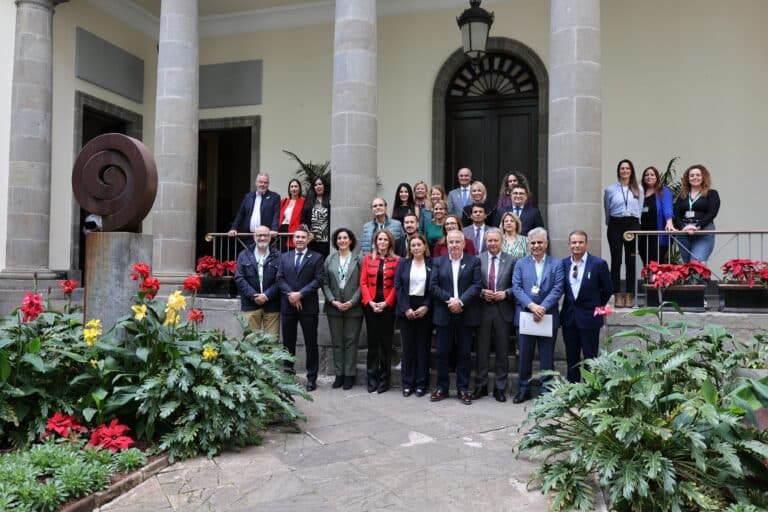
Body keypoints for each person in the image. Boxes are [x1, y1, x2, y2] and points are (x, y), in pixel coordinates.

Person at [511, 228, 564, 403]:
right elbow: (517, 287)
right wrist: (532, 306)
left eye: (540, 242)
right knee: (524, 356)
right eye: (533, 243)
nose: (536, 246)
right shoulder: (520, 263)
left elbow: (558, 288)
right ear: (528, 245)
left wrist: (543, 307)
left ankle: (546, 391)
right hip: (526, 316)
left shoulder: (556, 264)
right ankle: (523, 389)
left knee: (546, 357)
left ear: (546, 244)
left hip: (547, 316)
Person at [429, 230, 481, 405]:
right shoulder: (438, 261)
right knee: (441, 353)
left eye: (457, 241)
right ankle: (442, 387)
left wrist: (461, 302)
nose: (454, 245)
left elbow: (477, 285)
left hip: (466, 313)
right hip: (444, 312)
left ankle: (463, 389)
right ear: (447, 244)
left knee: (464, 353)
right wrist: (450, 300)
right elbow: (433, 286)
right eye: (451, 242)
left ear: (464, 244)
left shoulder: (474, 261)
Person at [559, 230, 612, 384]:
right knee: (571, 358)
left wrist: (596, 305)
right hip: (569, 319)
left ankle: (590, 389)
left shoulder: (598, 264)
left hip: (589, 319)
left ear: (586, 244)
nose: (577, 245)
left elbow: (608, 289)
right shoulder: (563, 264)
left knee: (590, 358)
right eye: (574, 242)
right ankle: (573, 389)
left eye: (580, 242)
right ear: (569, 244)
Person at [277, 227, 324, 391]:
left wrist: (300, 294)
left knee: (311, 343)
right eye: (297, 237)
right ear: (293, 239)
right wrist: (291, 294)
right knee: (288, 343)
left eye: (303, 237)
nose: (300, 240)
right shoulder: (284, 257)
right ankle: (289, 375)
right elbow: (279, 279)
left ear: (308, 239)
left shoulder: (316, 257)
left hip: (308, 307)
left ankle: (311, 378)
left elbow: (318, 280)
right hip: (288, 306)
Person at [474, 228, 516, 402]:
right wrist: (481, 292)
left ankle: (500, 387)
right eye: (489, 240)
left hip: (502, 309)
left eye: (495, 240)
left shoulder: (512, 260)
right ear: (486, 242)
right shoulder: (478, 259)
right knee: (482, 349)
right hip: (483, 309)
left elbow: (517, 285)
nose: (492, 243)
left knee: (502, 350)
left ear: (502, 242)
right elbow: (473, 283)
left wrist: (506, 293)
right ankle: (481, 385)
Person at [322, 228, 364, 390]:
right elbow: (324, 282)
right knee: (337, 342)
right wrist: (332, 300)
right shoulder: (330, 259)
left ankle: (349, 375)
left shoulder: (358, 259)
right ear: (336, 241)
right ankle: (339, 374)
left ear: (350, 240)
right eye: (339, 238)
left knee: (351, 342)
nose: (342, 240)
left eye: (345, 237)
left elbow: (362, 283)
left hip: (353, 307)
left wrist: (352, 301)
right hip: (334, 307)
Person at [360, 229, 400, 393]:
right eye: (379, 239)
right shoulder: (367, 259)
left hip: (387, 307)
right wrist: (370, 302)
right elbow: (363, 282)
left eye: (385, 239)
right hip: (370, 306)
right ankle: (372, 379)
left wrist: (386, 303)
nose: (382, 242)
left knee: (385, 344)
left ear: (390, 242)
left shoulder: (397, 260)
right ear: (375, 242)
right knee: (372, 344)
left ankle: (384, 380)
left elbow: (397, 284)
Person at [394, 234, 433, 397]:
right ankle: (407, 383)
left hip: (424, 308)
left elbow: (434, 286)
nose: (416, 248)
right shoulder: (403, 263)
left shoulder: (432, 264)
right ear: (409, 248)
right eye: (413, 245)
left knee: (422, 348)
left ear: (424, 246)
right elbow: (398, 286)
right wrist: (406, 308)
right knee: (408, 348)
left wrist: (426, 306)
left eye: (419, 245)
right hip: (407, 307)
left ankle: (421, 384)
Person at [603, 159, 643, 308]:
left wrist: (637, 223)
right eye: (622, 168)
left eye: (627, 168)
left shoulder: (638, 188)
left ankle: (629, 294)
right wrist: (610, 222)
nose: (625, 171)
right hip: (615, 224)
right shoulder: (610, 189)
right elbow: (607, 208)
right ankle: (617, 294)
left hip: (632, 224)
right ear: (619, 171)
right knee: (616, 260)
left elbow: (640, 208)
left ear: (631, 171)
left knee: (631, 260)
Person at [233, 225, 281, 337]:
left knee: (271, 342)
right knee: (251, 342)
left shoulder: (278, 256)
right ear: (254, 237)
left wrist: (266, 295)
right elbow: (239, 278)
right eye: (259, 235)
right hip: (250, 304)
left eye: (265, 235)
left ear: (270, 237)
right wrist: (253, 296)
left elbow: (281, 279)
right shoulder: (244, 255)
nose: (262, 238)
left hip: (272, 305)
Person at [672, 164, 720, 264]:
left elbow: (712, 213)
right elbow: (676, 214)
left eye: (698, 175)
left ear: (703, 177)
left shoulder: (712, 193)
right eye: (692, 175)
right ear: (687, 178)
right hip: (684, 232)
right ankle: (700, 276)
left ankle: (699, 276)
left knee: (696, 262)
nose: (695, 177)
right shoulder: (682, 195)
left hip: (703, 231)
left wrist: (697, 226)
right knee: (687, 265)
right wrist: (683, 227)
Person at [639, 166, 674, 264]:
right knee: (646, 262)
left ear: (657, 177)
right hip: (642, 234)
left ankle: (655, 275)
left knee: (655, 262)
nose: (649, 177)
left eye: (652, 174)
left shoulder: (663, 190)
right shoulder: (640, 192)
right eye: (646, 175)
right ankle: (648, 275)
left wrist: (669, 221)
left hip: (657, 233)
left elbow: (667, 207)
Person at [300, 176, 331, 260]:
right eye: (316, 185)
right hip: (312, 241)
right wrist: (307, 233)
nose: (318, 186)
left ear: (324, 185)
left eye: (320, 184)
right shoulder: (309, 201)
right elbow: (303, 220)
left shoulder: (330, 200)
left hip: (326, 241)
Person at [278, 178, 305, 252]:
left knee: (291, 253)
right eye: (292, 186)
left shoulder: (303, 202)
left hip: (294, 231)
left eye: (296, 186)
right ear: (289, 189)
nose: (294, 188)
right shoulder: (284, 201)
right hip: (282, 230)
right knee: (281, 252)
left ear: (299, 189)